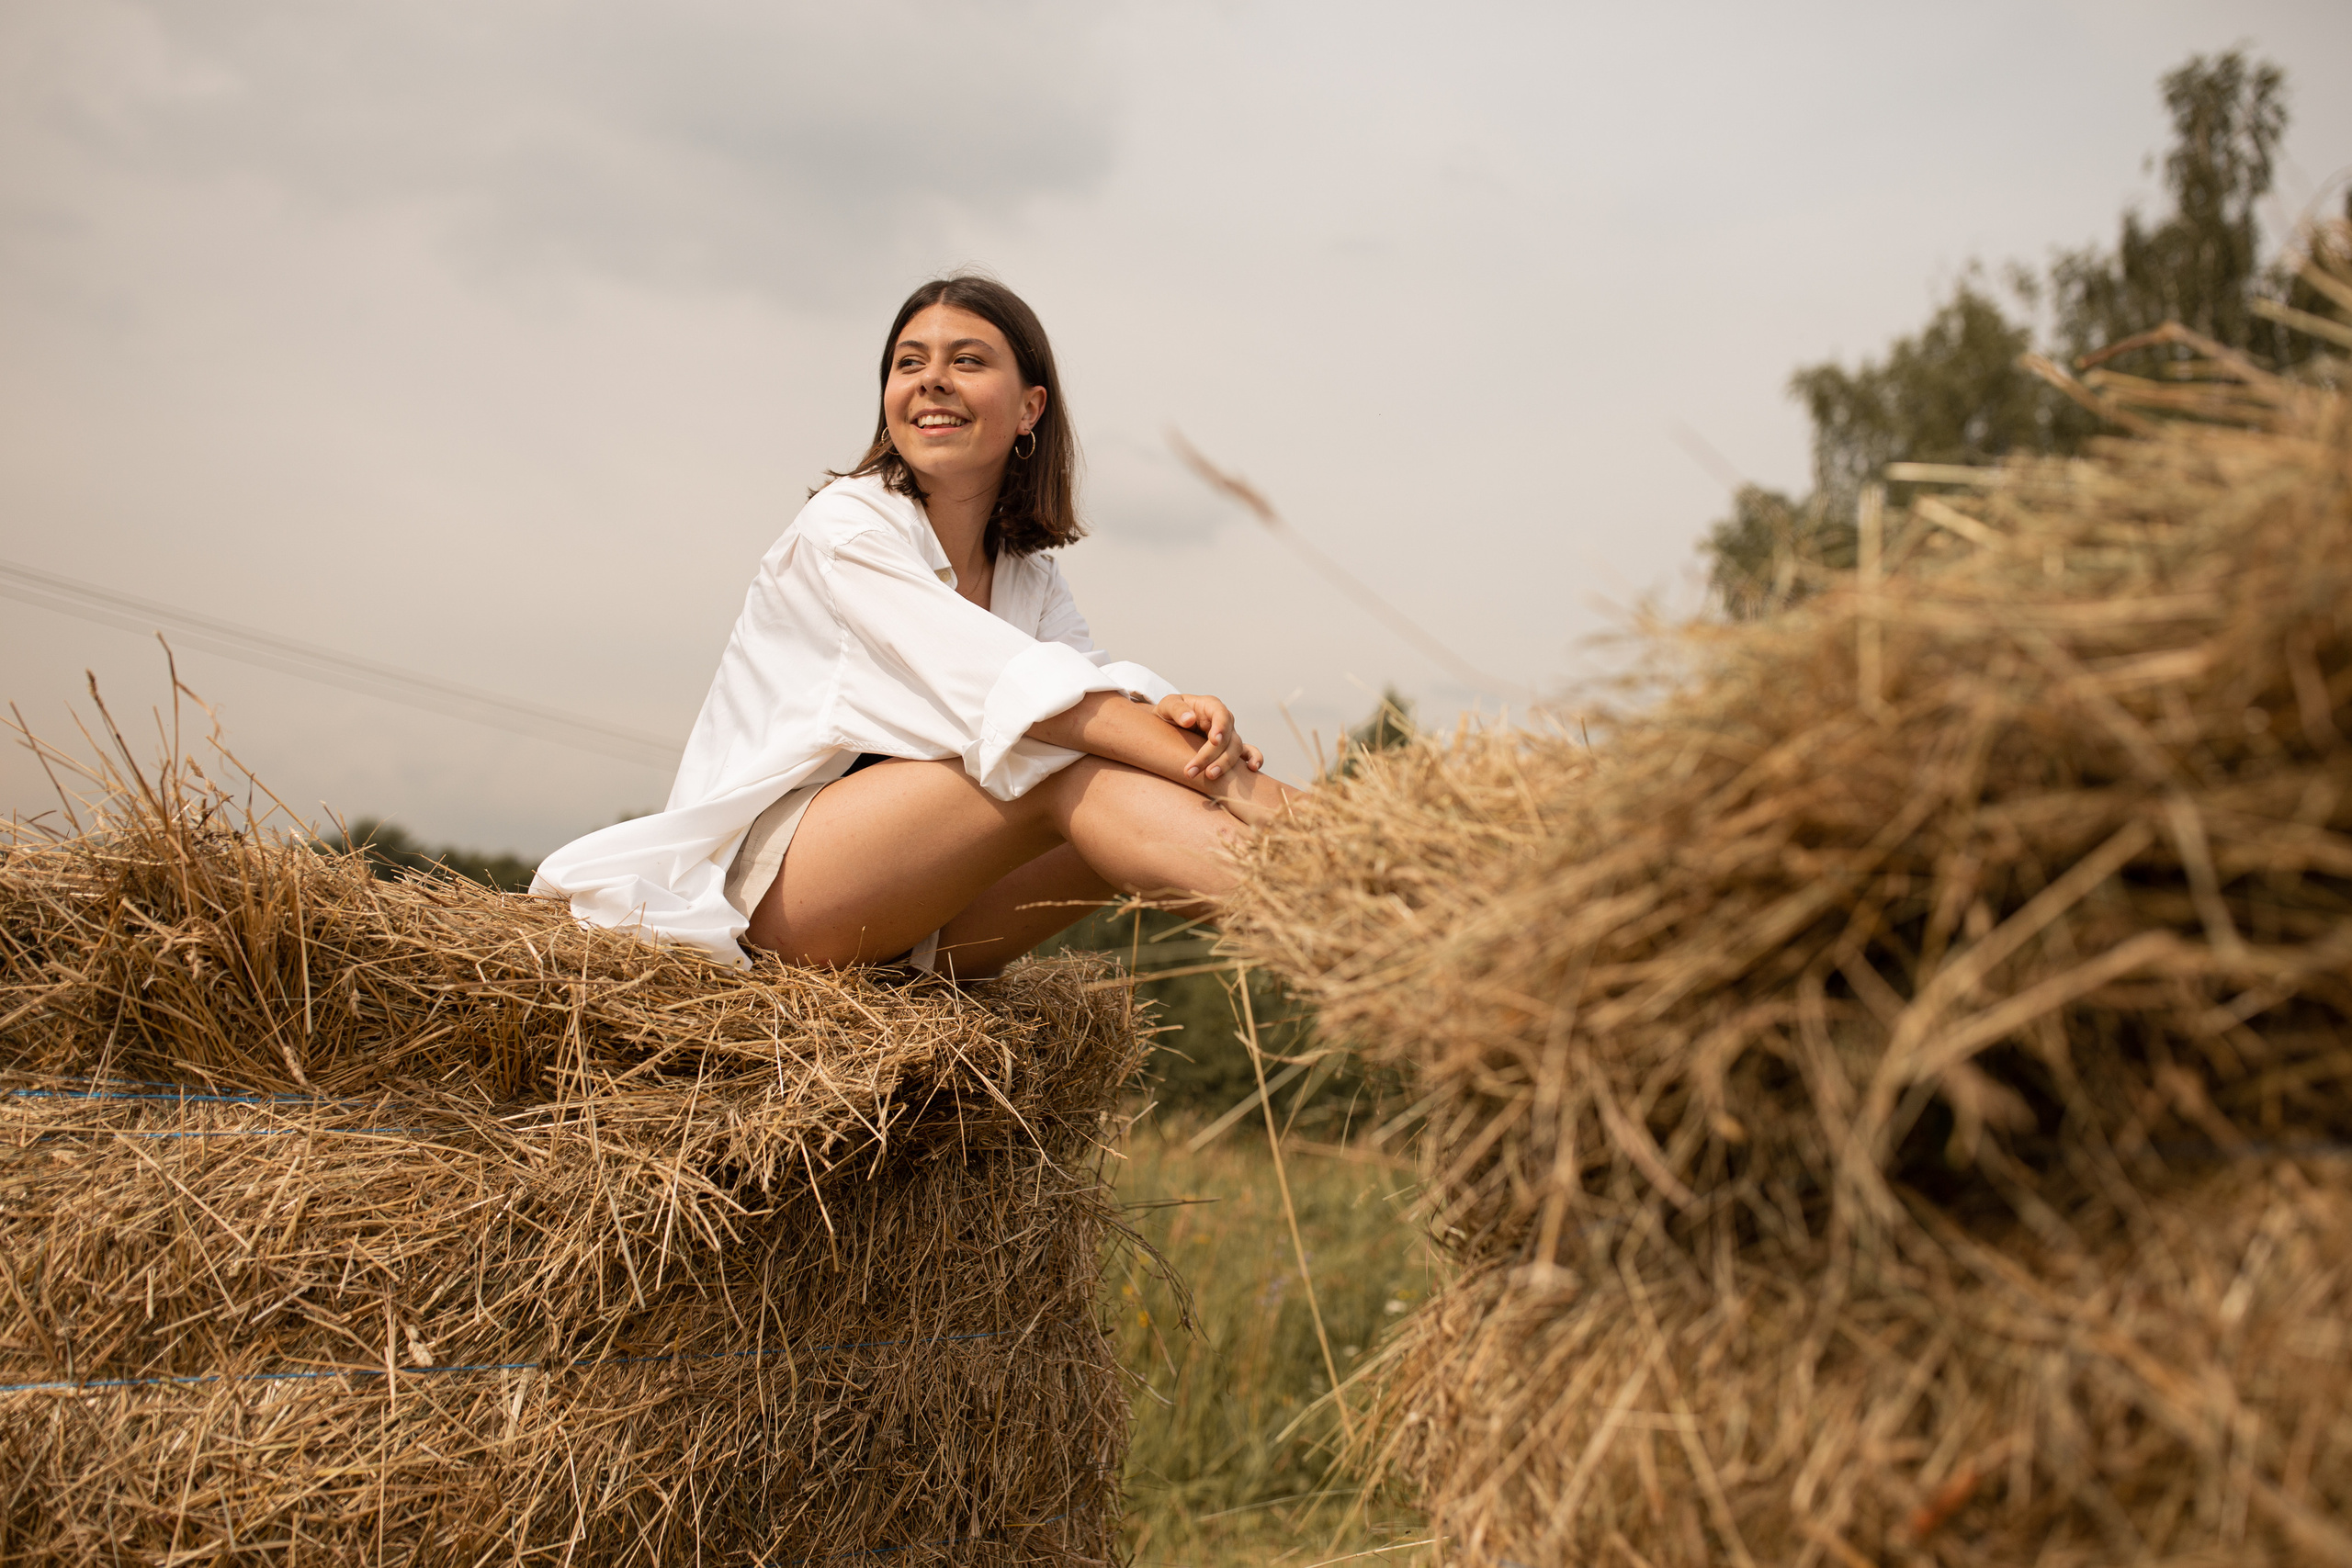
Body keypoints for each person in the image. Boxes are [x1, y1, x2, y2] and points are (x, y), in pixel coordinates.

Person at [532, 276, 1299, 977]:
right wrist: (1248, 787)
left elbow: (1095, 687)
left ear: (1031, 407)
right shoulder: (847, 529)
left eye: (967, 360)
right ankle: (1342, 908)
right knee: (1053, 762)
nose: (932, 378)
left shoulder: (1028, 572)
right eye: (909, 362)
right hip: (769, 897)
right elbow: (1032, 701)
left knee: (1108, 775)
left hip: (923, 920)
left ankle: (1361, 910)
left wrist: (1172, 712)